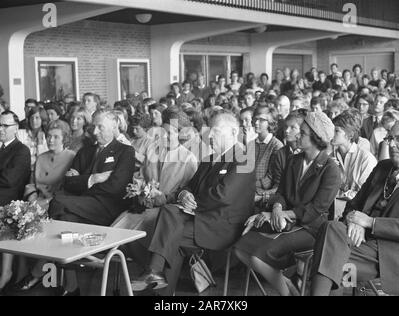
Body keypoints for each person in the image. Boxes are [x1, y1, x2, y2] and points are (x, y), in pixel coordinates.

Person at [132, 112, 256, 295]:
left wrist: (193, 201)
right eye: (209, 131)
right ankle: (156, 277)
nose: (210, 135)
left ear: (233, 132)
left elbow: (223, 196)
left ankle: (155, 275)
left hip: (223, 226)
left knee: (168, 235)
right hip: (201, 218)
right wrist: (184, 195)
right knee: (169, 223)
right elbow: (189, 186)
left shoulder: (244, 159)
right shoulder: (209, 159)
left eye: (216, 131)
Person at [13, 111, 135, 295]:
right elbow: (68, 182)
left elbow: (116, 188)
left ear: (114, 127)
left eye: (100, 127)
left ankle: (37, 272)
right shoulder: (85, 151)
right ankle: (72, 287)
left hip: (107, 208)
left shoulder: (125, 151)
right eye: (93, 126)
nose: (95, 131)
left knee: (58, 201)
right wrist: (94, 178)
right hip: (78, 207)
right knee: (65, 225)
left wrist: (82, 182)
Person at [311, 120, 399, 296]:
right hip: (360, 240)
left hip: (396, 253)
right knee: (331, 227)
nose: (392, 144)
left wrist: (370, 222)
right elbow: (353, 205)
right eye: (390, 138)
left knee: (331, 262)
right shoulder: (383, 167)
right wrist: (354, 220)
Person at [234, 112, 341, 296]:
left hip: (310, 229)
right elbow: (281, 193)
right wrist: (276, 207)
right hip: (286, 221)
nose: (298, 135)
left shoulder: (331, 169)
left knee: (258, 256)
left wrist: (282, 214)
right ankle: (288, 286)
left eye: (303, 133)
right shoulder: (294, 160)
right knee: (240, 248)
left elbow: (316, 209)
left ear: (316, 139)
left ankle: (287, 293)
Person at [0, 120, 76, 295]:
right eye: (48, 136)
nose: (51, 140)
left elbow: (68, 188)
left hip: (56, 204)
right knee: (12, 221)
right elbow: (30, 184)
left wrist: (45, 202)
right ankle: (10, 273)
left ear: (64, 138)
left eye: (56, 137)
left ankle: (34, 275)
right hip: (36, 201)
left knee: (31, 224)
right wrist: (32, 200)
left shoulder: (71, 157)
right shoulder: (41, 157)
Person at [112, 108, 198, 268]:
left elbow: (187, 192)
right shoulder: (154, 152)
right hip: (145, 205)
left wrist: (162, 196)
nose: (165, 137)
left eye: (170, 133)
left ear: (180, 134)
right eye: (162, 133)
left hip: (167, 211)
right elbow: (141, 177)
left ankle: (150, 268)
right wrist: (139, 189)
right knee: (121, 225)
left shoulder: (188, 159)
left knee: (138, 229)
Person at [331, 112, 378, 201]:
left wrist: (337, 195)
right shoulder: (331, 157)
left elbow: (364, 192)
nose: (332, 134)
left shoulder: (365, 158)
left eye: (336, 131)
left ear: (350, 135)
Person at [253, 107, 284, 209]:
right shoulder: (251, 144)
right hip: (250, 190)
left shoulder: (276, 146)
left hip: (263, 196)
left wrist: (249, 185)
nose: (256, 123)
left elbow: (270, 179)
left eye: (261, 120)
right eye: (255, 119)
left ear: (271, 123)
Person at [17, 107, 49, 172]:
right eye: (32, 118)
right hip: (22, 170)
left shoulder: (47, 135)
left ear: (42, 119)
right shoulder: (20, 133)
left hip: (40, 171)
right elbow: (19, 156)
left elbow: (43, 159)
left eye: (37, 118)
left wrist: (40, 143)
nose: (34, 121)